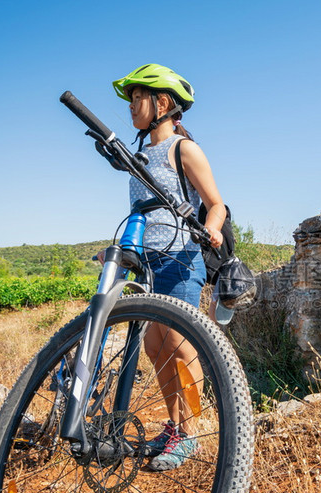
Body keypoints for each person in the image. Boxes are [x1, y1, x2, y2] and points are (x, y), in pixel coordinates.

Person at [112, 63, 227, 471]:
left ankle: (190, 433)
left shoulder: (184, 149)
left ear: (162, 102)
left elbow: (216, 204)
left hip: (182, 257)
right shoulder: (140, 153)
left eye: (136, 98)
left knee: (180, 345)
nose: (130, 107)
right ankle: (173, 425)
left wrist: (211, 229)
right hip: (147, 262)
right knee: (154, 346)